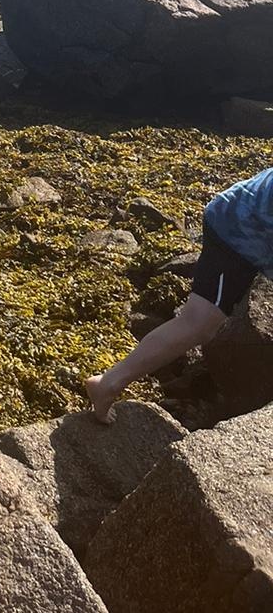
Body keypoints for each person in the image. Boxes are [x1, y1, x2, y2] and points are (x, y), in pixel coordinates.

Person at [85, 166, 273, 424]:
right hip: (236, 230)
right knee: (199, 323)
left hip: (250, 224)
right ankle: (108, 383)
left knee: (200, 322)